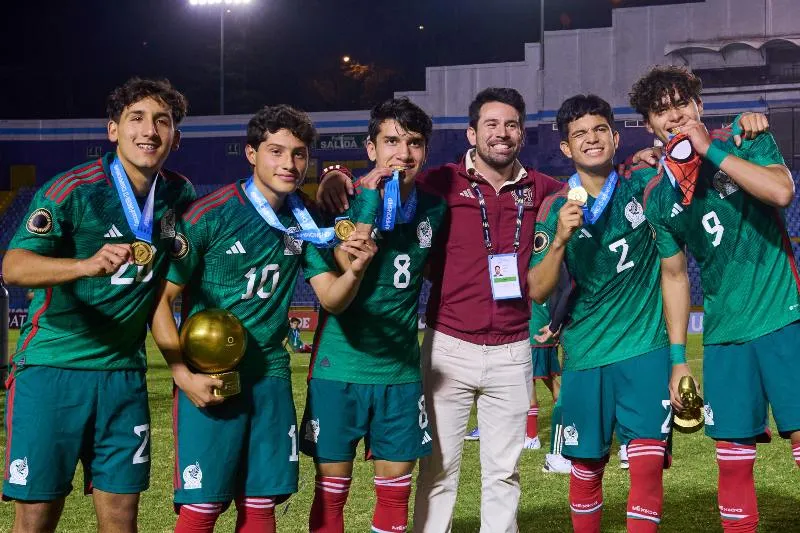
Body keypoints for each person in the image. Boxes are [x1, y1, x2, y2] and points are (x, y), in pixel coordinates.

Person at [317, 87, 563, 532]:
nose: (501, 133)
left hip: (512, 348)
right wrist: (335, 174)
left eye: (510, 125)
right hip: (447, 345)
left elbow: (590, 187)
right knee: (436, 470)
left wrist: (638, 164)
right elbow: (373, 182)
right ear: (472, 133)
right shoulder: (442, 183)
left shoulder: (541, 187)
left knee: (504, 473)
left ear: (522, 135)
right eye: (490, 124)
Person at [149, 104, 377, 533]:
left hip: (269, 377)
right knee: (202, 509)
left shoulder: (302, 218)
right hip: (210, 377)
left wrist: (355, 271)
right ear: (251, 153)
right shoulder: (208, 214)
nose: (288, 164)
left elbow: (330, 298)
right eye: (276, 151)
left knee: (261, 505)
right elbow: (160, 300)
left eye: (298, 154)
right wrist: (183, 376)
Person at [2, 78, 195, 533]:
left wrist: (338, 180)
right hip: (52, 370)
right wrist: (82, 266)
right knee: (35, 521)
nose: (150, 130)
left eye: (162, 121)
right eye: (137, 118)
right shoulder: (73, 189)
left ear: (176, 137)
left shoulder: (178, 193)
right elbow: (12, 265)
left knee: (121, 521)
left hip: (123, 378)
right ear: (113, 130)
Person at [630, 65, 799, 532]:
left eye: (682, 104)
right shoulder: (657, 195)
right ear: (648, 125)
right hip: (725, 338)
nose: (675, 116)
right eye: (661, 111)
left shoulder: (746, 139)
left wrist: (709, 147)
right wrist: (680, 359)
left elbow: (781, 192)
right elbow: (675, 274)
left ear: (699, 106)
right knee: (732, 460)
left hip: (785, 320)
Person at [528, 94, 695, 532]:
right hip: (584, 358)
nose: (591, 139)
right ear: (566, 148)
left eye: (600, 129)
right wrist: (561, 238)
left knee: (645, 468)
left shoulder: (644, 185)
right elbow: (538, 288)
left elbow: (674, 270)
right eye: (579, 134)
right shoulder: (555, 208)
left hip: (645, 350)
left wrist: (678, 358)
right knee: (586, 473)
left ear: (615, 137)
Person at [300, 97, 446, 533]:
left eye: (415, 143)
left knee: (394, 499)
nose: (403, 153)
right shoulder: (332, 207)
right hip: (337, 371)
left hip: (399, 375)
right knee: (330, 500)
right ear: (370, 148)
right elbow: (345, 275)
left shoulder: (435, 209)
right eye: (391, 141)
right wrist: (353, 190)